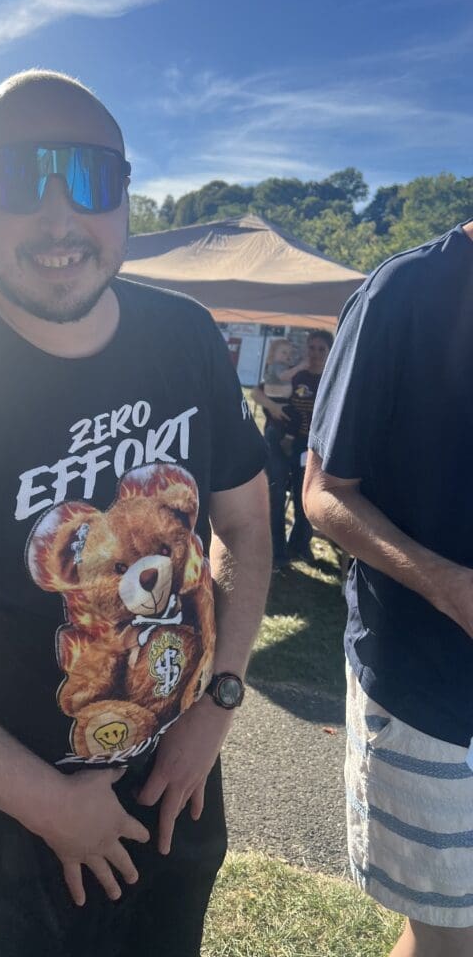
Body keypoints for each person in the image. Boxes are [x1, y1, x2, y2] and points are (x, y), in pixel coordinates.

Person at [0, 70, 271, 957]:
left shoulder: (185, 335)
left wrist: (216, 709)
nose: (61, 217)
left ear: (126, 194)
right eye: (23, 176)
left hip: (182, 774)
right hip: (32, 820)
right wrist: (52, 808)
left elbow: (248, 532)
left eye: (92, 178)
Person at [303, 220, 473, 957]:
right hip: (429, 690)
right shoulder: (405, 291)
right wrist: (450, 585)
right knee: (448, 933)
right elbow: (324, 493)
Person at [251, 338, 306, 568]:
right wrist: (272, 406)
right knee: (276, 489)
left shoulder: (288, 372)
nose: (286, 357)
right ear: (273, 356)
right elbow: (256, 392)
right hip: (277, 431)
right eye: (283, 352)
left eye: (288, 353)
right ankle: (278, 553)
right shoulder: (277, 370)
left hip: (296, 439)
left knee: (297, 494)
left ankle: (296, 546)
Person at [285, 330, 332, 563]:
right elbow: (265, 389)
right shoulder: (296, 376)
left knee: (307, 496)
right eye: (311, 348)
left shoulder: (332, 379)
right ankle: (292, 544)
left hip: (319, 447)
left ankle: (300, 544)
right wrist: (298, 368)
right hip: (295, 441)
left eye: (321, 349)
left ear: (329, 352)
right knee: (294, 491)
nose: (315, 353)